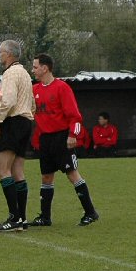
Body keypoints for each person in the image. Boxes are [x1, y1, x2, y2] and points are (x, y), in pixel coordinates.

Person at [29, 53, 99, 227]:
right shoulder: (34, 90)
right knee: (46, 177)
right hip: (45, 140)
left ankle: (91, 212)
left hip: (62, 138)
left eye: (35, 67)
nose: (33, 70)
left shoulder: (62, 88)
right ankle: (45, 217)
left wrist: (72, 135)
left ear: (45, 68)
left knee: (72, 174)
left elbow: (75, 117)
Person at [0, 40, 35, 232]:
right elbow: (31, 104)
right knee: (18, 172)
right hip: (25, 122)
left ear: (9, 54)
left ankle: (14, 217)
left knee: (3, 170)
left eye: (1, 52)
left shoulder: (10, 73)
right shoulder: (24, 73)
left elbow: (7, 100)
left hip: (13, 122)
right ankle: (21, 218)